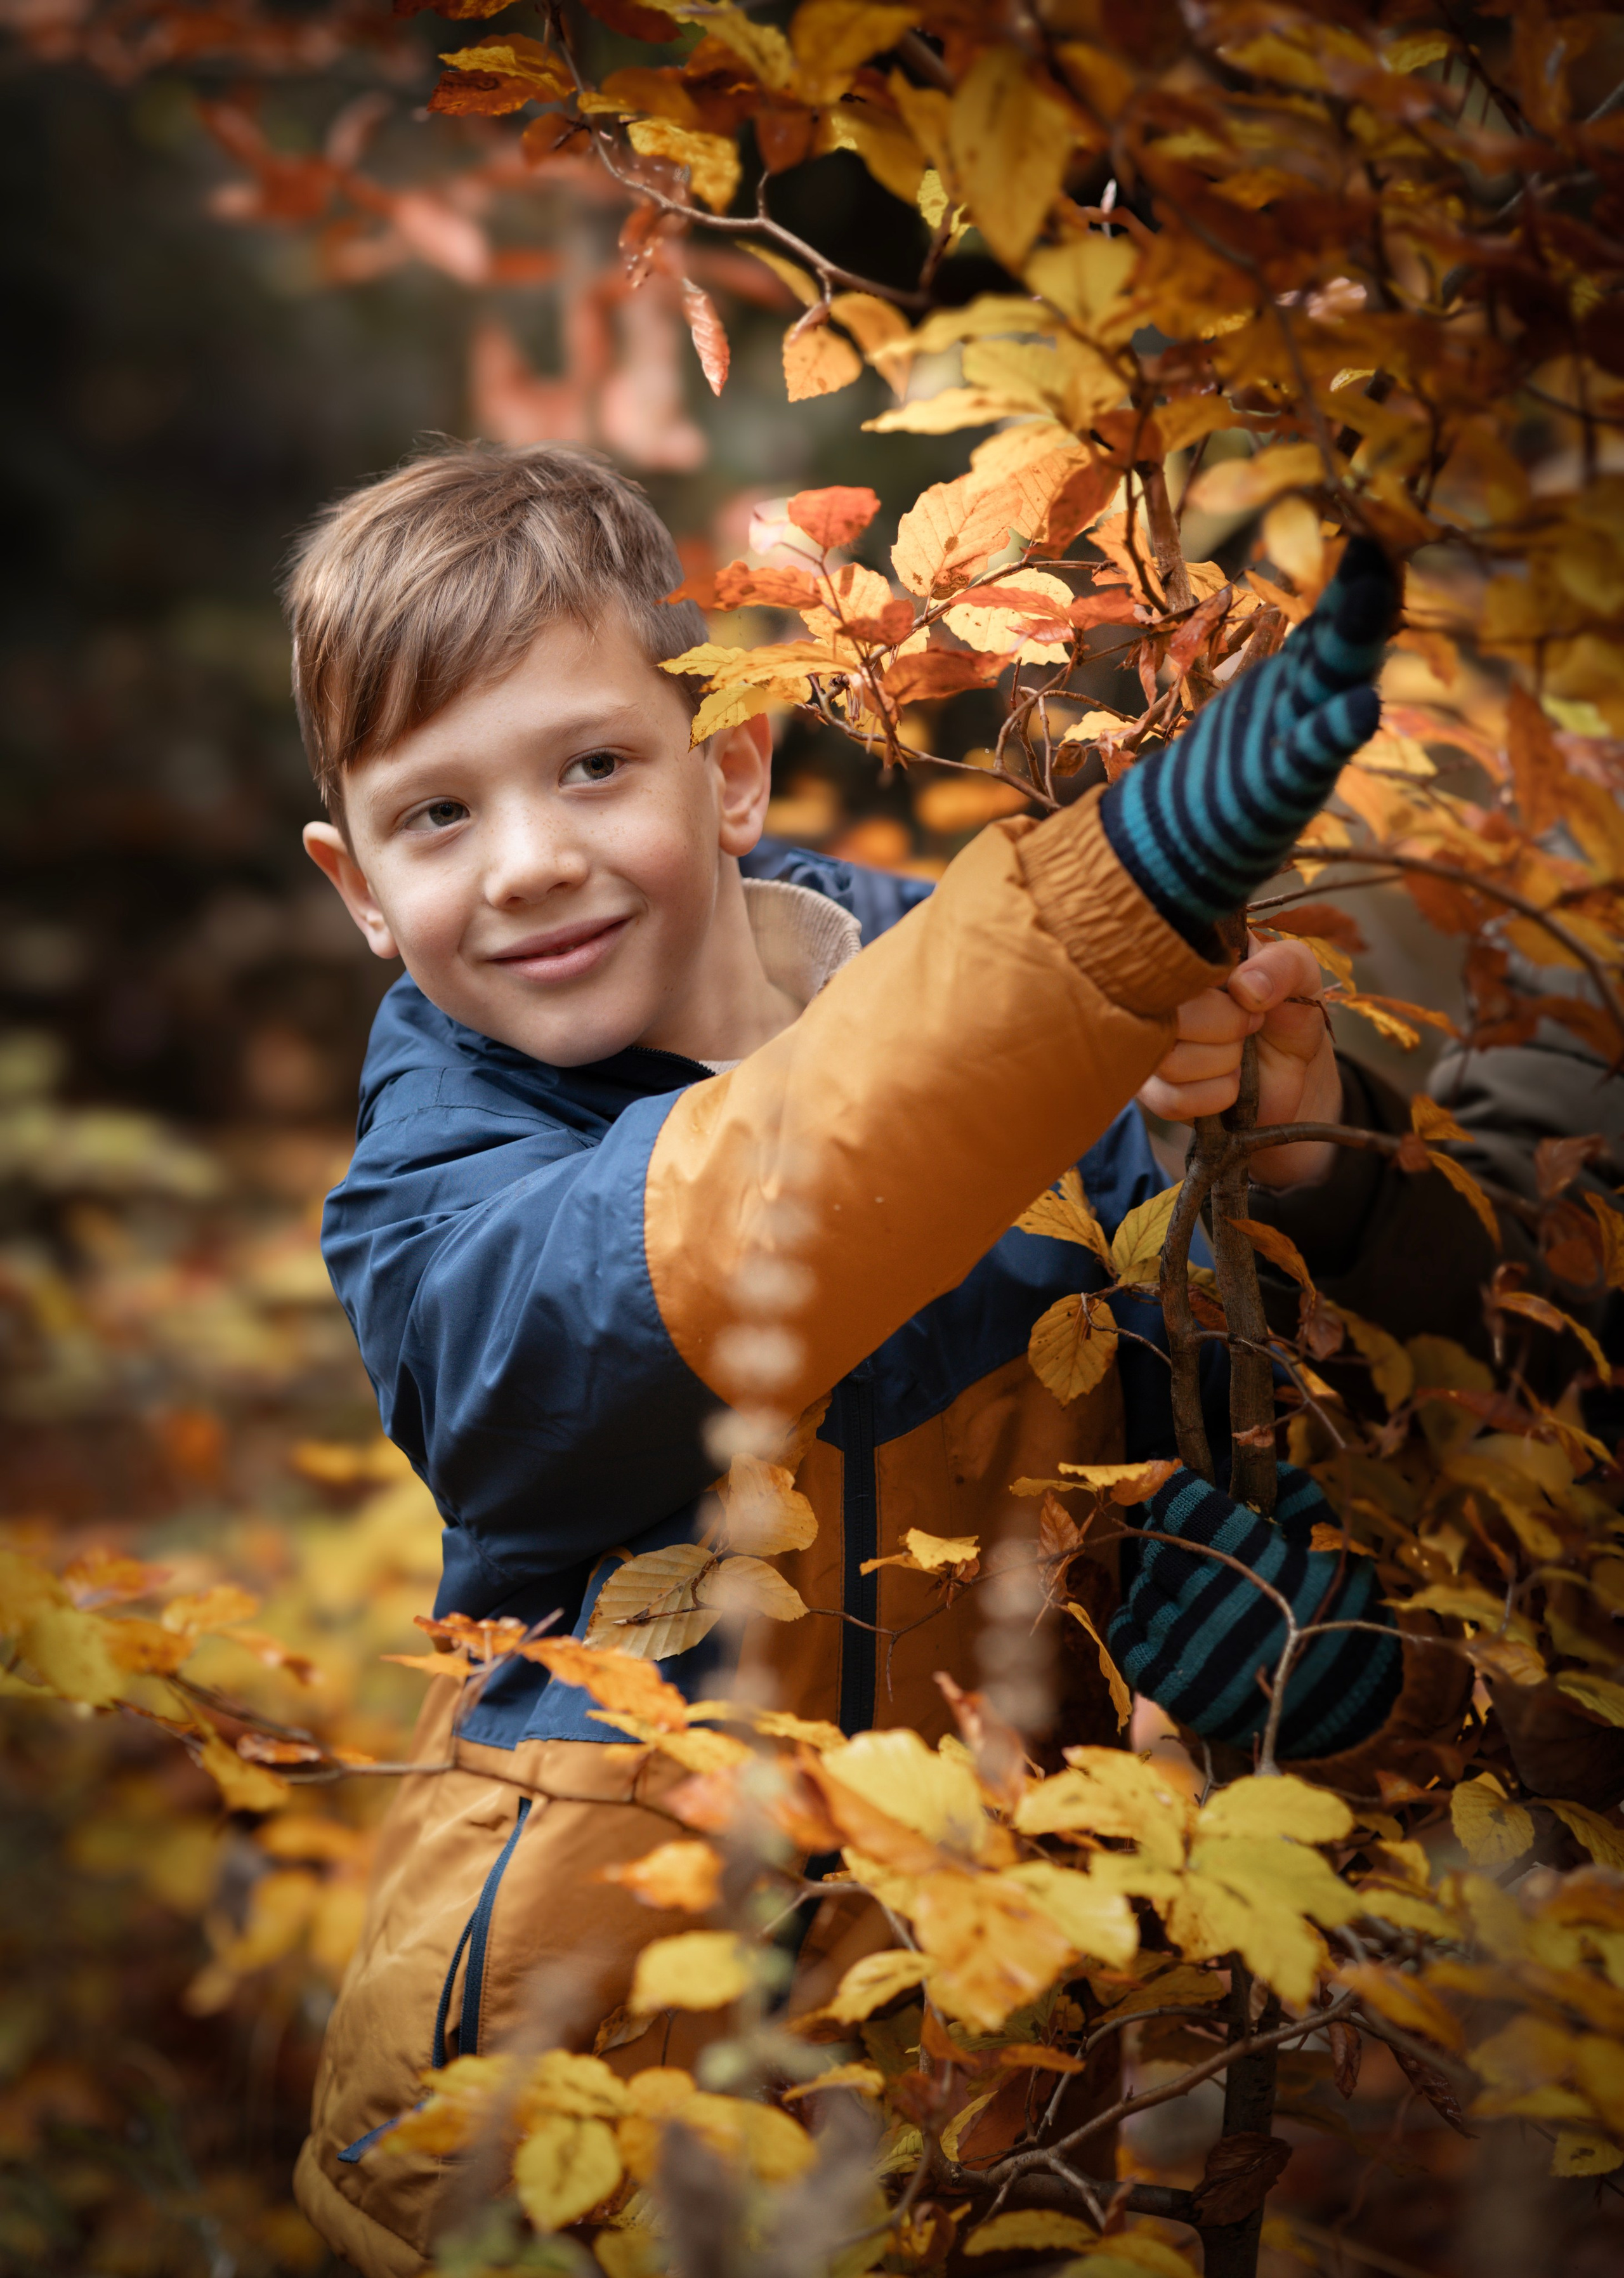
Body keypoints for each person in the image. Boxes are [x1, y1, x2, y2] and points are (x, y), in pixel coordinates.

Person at [282, 442, 1454, 2276]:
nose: (530, 862)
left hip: (1000, 2081)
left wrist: (1301, 1175)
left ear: (734, 768)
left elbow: (1253, 1411)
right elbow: (683, 1255)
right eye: (437, 815)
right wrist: (1110, 907)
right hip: (568, 2126)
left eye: (593, 766)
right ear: (358, 888)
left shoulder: (1008, 1019)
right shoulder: (435, 1184)